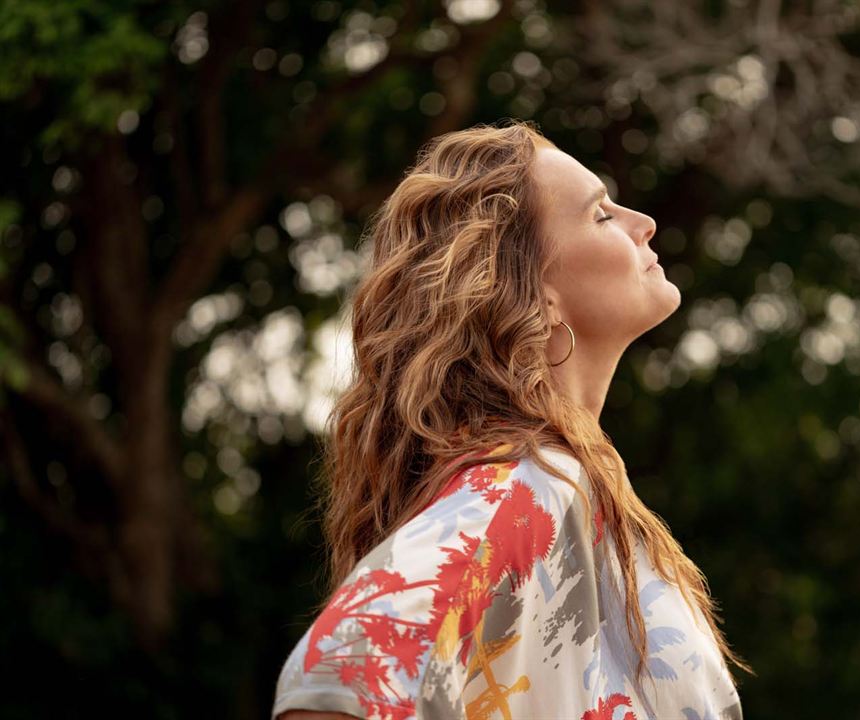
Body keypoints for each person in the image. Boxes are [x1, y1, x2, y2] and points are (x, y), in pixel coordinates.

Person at [272, 119, 750, 720]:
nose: (643, 222)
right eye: (601, 215)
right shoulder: (524, 489)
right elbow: (342, 674)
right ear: (537, 293)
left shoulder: (575, 485)